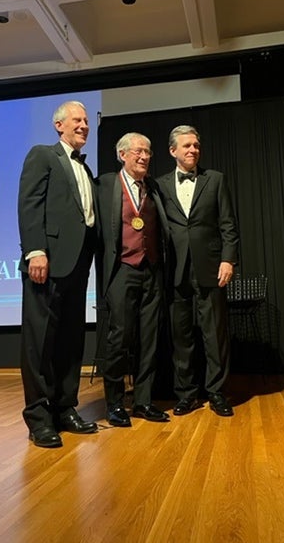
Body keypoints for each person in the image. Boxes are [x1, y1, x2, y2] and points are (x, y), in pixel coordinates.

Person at [18, 100, 98, 448]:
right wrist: (35, 250)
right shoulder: (43, 155)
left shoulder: (85, 167)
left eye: (85, 121)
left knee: (70, 340)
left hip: (78, 265)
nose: (83, 125)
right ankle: (39, 418)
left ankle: (65, 408)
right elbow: (30, 203)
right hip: (46, 263)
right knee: (40, 343)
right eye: (76, 120)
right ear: (58, 125)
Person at [157, 125, 239, 417]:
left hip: (211, 268)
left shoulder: (215, 180)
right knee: (181, 337)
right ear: (173, 151)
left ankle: (217, 393)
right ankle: (187, 394)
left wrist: (228, 260)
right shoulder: (160, 185)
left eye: (196, 146)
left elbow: (228, 224)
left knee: (214, 335)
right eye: (187, 146)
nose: (193, 150)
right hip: (175, 272)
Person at [95, 132, 170, 427]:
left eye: (148, 152)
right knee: (119, 339)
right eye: (138, 151)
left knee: (149, 340)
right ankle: (114, 404)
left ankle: (143, 401)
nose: (144, 156)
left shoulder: (152, 188)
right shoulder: (104, 185)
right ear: (122, 154)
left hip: (151, 271)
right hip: (122, 271)